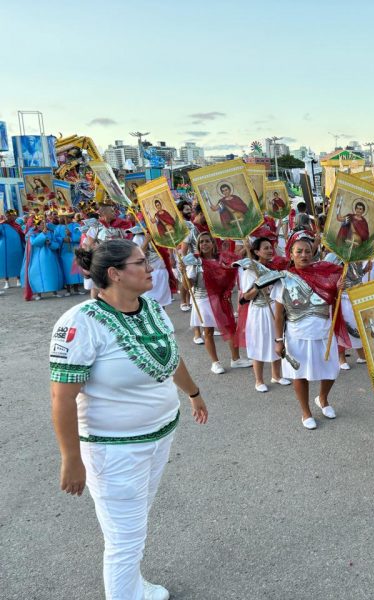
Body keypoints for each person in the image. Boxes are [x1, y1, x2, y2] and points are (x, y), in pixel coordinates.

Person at [50, 239, 208, 600]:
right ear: (115, 274)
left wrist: (194, 393)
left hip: (159, 437)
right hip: (114, 450)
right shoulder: (81, 323)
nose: (151, 268)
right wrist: (71, 459)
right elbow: (61, 398)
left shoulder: (151, 307)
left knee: (135, 521)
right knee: (124, 538)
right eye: (141, 263)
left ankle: (134, 586)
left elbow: (170, 356)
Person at [272, 231, 345, 429]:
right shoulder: (283, 280)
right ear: (291, 254)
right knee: (300, 375)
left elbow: (336, 299)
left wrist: (340, 288)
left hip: (323, 332)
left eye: (307, 251)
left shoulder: (327, 273)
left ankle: (322, 398)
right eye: (299, 251)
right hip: (297, 335)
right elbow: (279, 315)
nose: (304, 255)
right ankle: (305, 412)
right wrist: (278, 341)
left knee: (331, 372)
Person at [186, 231, 252, 374]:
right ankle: (215, 363)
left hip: (221, 298)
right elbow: (188, 286)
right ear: (198, 245)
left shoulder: (221, 259)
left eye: (207, 241)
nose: (204, 244)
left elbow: (232, 267)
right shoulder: (195, 262)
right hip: (203, 299)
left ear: (213, 243)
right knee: (208, 332)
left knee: (230, 328)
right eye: (201, 242)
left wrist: (246, 247)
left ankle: (236, 359)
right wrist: (183, 274)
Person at [241, 237, 291, 392]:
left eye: (271, 247)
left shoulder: (274, 267)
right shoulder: (250, 270)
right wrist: (258, 286)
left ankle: (276, 375)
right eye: (265, 248)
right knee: (259, 343)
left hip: (274, 308)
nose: (270, 250)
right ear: (256, 252)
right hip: (259, 311)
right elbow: (245, 297)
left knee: (277, 340)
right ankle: (259, 380)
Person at [22, 214, 64, 300]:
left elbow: (57, 245)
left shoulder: (51, 233)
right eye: (40, 224)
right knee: (37, 275)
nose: (42, 226)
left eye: (43, 224)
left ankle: (54, 292)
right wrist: (43, 235)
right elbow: (34, 243)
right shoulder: (32, 234)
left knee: (52, 273)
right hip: (37, 258)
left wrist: (50, 243)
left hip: (51, 257)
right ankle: (38, 294)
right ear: (36, 225)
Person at [53, 209, 85, 295]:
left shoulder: (76, 225)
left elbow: (80, 236)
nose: (65, 219)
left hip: (74, 250)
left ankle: (76, 289)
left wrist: (71, 236)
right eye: (63, 217)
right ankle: (68, 290)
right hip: (64, 251)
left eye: (67, 217)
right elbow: (55, 238)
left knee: (76, 268)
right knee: (66, 270)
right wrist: (63, 239)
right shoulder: (58, 227)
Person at [0, 209, 24, 289]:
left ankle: (18, 279)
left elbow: (22, 235)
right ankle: (7, 282)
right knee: (6, 263)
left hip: (17, 247)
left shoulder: (17, 225)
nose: (12, 217)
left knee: (17, 262)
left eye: (13, 215)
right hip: (6, 248)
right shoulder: (2, 225)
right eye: (10, 215)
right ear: (7, 216)